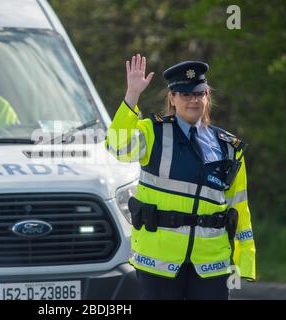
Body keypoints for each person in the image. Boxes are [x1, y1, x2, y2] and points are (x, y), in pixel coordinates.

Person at [105, 54, 256, 300]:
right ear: (172, 98)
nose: (193, 100)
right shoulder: (151, 132)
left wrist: (244, 259)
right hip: (158, 261)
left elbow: (238, 206)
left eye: (198, 93)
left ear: (207, 96)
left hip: (211, 263)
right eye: (185, 94)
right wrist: (132, 96)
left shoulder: (227, 146)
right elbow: (118, 148)